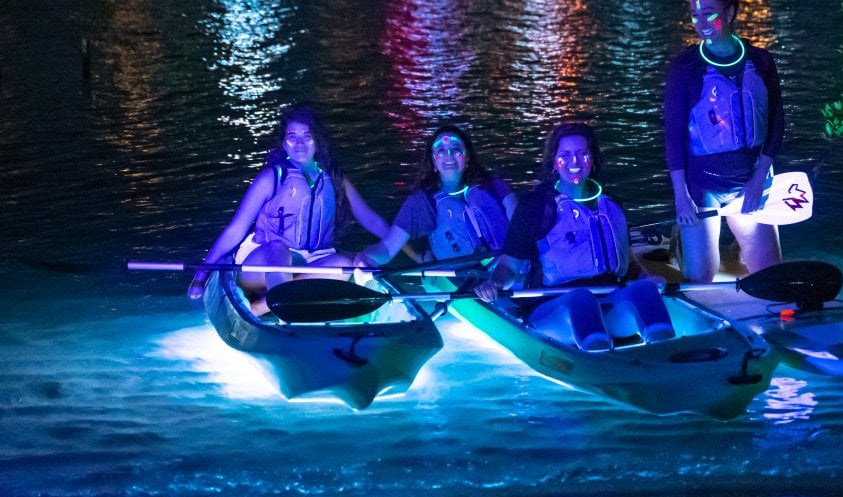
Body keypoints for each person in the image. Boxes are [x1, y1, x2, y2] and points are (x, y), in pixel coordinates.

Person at [474, 123, 675, 351]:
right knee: (581, 297)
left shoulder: (610, 204)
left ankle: (666, 355)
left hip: (608, 303)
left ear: (593, 159)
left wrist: (647, 279)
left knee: (645, 290)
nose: (575, 162)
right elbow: (509, 266)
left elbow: (627, 263)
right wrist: (494, 283)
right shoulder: (536, 206)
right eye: (565, 155)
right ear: (554, 162)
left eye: (582, 154)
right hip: (553, 310)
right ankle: (597, 358)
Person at [186, 104, 389, 313]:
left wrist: (408, 249)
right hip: (263, 261)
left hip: (313, 261)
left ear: (318, 140)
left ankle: (260, 307)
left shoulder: (334, 179)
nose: (299, 144)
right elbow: (235, 230)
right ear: (284, 142)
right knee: (278, 249)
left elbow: (370, 219)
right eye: (292, 136)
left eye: (307, 136)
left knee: (348, 262)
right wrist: (200, 276)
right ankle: (288, 309)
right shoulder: (271, 178)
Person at [663, 0, 784, 283]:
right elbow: (674, 135)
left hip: (751, 181)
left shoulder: (760, 60)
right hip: (703, 186)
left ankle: (739, 254)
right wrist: (680, 196)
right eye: (694, 14)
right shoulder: (685, 68)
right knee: (701, 279)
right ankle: (685, 249)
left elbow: (776, 122)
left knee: (771, 276)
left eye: (709, 14)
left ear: (730, 13)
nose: (700, 23)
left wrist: (760, 178)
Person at [354, 124, 517, 269]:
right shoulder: (422, 202)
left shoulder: (493, 185)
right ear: (434, 161)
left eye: (455, 148)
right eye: (440, 150)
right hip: (459, 277)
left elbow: (520, 222)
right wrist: (366, 258)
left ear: (467, 157)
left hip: (508, 265)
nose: (448, 154)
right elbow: (387, 248)